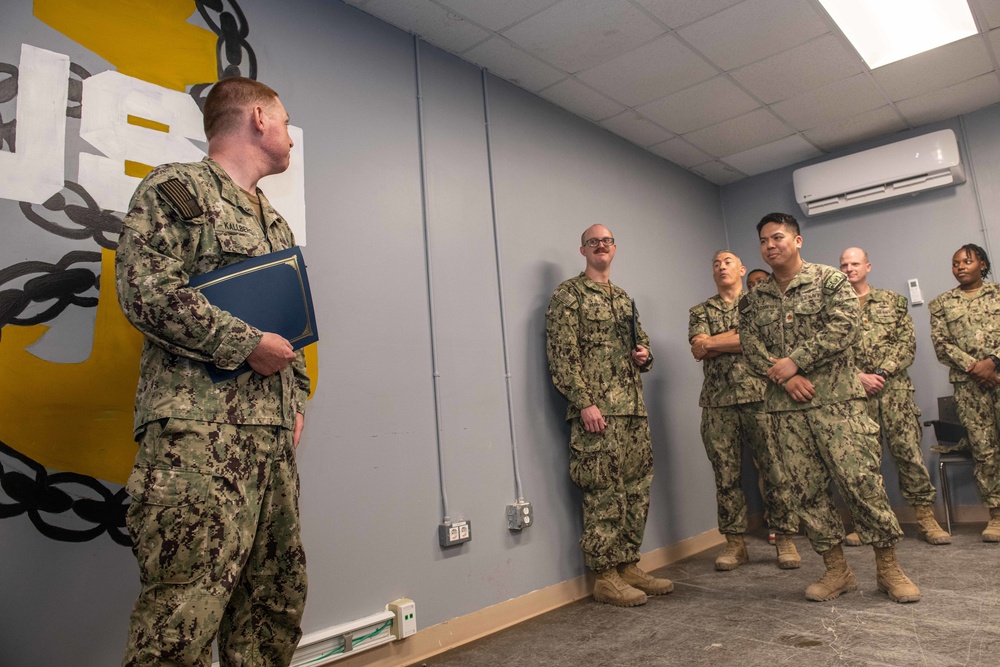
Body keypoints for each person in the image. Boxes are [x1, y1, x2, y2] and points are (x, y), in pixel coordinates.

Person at [115, 77, 310, 665]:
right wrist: (246, 342)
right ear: (257, 117)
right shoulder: (178, 190)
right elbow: (145, 290)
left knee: (273, 606)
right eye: (284, 121)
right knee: (182, 621)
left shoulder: (274, 223)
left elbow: (293, 331)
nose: (290, 139)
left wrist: (294, 400)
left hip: (270, 445)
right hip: (199, 441)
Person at [738, 212, 919, 604]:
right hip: (787, 411)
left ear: (798, 240)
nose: (771, 246)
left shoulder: (829, 280)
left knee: (862, 484)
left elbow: (845, 326)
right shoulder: (752, 300)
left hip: (838, 405)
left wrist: (797, 360)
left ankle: (889, 569)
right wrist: (786, 377)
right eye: (764, 240)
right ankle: (837, 570)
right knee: (807, 492)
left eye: (778, 237)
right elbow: (752, 349)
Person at [545, 224, 673, 607]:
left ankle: (627, 565)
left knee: (636, 490)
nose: (601, 246)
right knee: (603, 493)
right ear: (582, 250)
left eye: (607, 241)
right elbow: (561, 353)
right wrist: (584, 402)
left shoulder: (623, 298)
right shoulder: (569, 295)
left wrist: (644, 355)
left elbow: (642, 342)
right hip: (598, 411)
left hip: (632, 409)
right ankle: (605, 577)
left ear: (614, 248)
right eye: (593, 241)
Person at [689, 251, 801, 571]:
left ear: (741, 269)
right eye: (716, 263)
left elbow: (760, 342)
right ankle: (735, 544)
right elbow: (698, 347)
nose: (721, 267)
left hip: (762, 397)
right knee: (726, 475)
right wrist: (728, 341)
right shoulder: (701, 311)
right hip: (717, 402)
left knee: (775, 470)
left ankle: (784, 538)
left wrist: (715, 342)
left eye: (727, 262)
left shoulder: (761, 304)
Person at [838, 247, 950, 546]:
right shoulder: (833, 309)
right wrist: (858, 378)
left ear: (868, 266)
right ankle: (870, 524)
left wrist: (882, 374)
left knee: (909, 455)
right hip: (856, 395)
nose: (849, 269)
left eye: (855, 263)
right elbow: (831, 352)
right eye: (844, 265)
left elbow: (906, 344)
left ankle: (926, 520)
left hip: (895, 391)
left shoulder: (892, 301)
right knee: (862, 463)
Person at [929, 243, 1000, 542]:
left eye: (966, 261)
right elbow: (942, 345)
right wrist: (977, 367)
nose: (959, 266)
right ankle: (996, 515)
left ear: (982, 264)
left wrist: (994, 363)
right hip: (970, 387)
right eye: (955, 263)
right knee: (984, 450)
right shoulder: (941, 304)